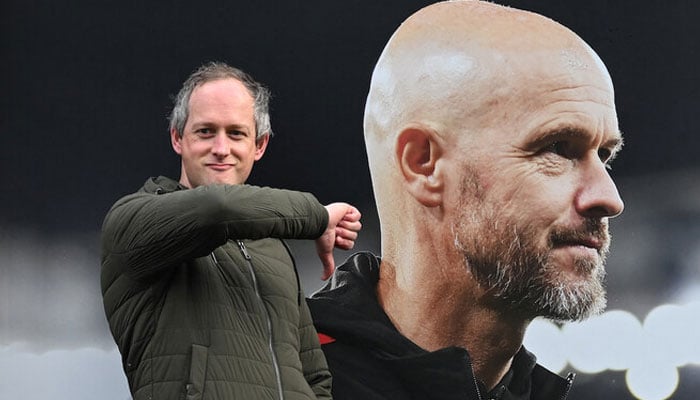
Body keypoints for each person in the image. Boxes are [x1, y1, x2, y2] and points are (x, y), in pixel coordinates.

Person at [308, 1, 625, 399]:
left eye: (605, 157)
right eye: (558, 148)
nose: (609, 199)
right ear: (424, 164)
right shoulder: (269, 381)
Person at [101, 61, 361, 400]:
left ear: (260, 145)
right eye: (206, 131)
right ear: (178, 138)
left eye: (236, 133)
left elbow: (315, 376)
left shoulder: (273, 248)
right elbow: (218, 209)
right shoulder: (132, 220)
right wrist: (317, 217)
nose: (221, 149)